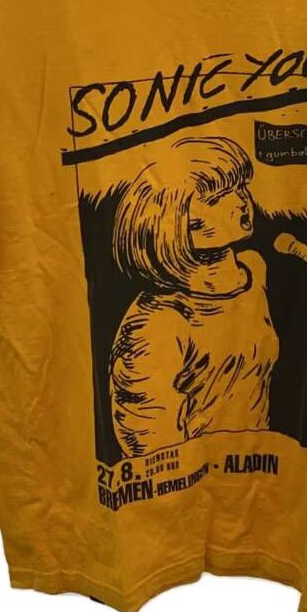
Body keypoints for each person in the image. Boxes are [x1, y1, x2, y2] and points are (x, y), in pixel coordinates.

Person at [108, 134, 279, 457]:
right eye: (217, 198)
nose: (242, 202)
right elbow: (147, 443)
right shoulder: (156, 322)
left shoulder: (256, 273)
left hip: (268, 474)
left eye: (241, 186)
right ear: (173, 222)